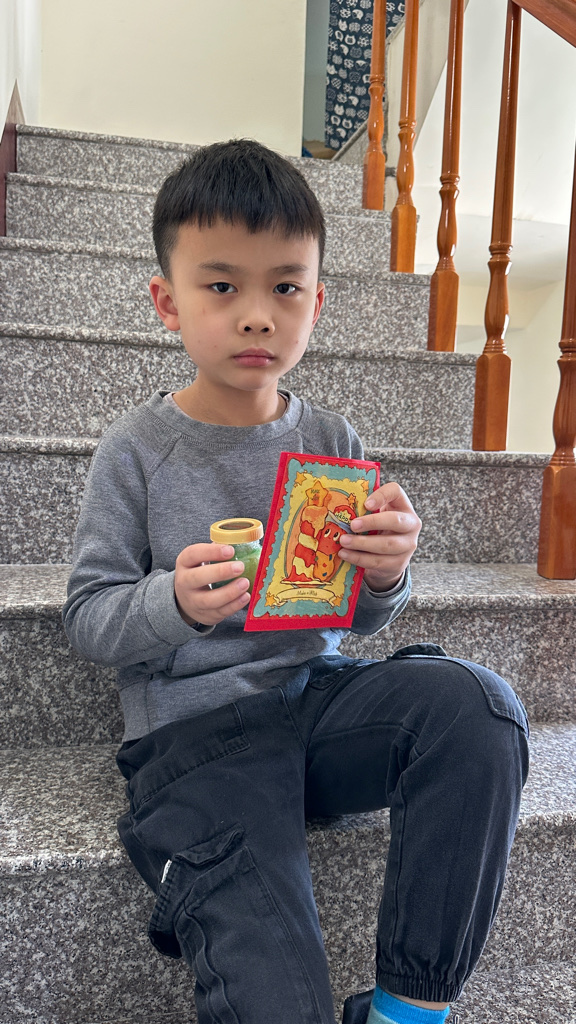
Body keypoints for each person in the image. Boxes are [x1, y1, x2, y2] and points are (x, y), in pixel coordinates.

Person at [63, 139, 529, 1024]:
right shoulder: (135, 451)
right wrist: (171, 603)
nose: (256, 316)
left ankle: (405, 1010)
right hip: (196, 739)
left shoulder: (334, 441)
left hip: (319, 700)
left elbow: (358, 616)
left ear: (318, 303)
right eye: (221, 285)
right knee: (277, 999)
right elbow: (88, 617)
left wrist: (387, 573)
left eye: (284, 287)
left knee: (481, 709)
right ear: (167, 303)